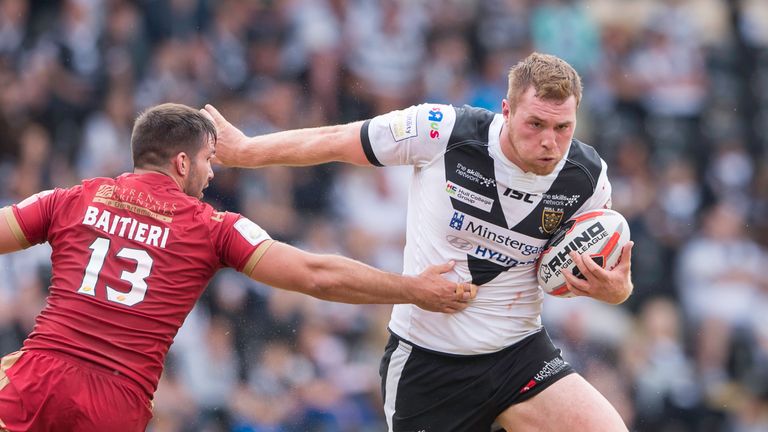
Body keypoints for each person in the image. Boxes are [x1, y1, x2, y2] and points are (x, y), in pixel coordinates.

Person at [204, 52, 635, 431]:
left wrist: (617, 291)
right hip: (429, 361)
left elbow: (600, 264)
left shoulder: (588, 177)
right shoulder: (442, 130)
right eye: (535, 123)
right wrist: (245, 152)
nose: (549, 141)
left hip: (519, 354)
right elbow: (334, 140)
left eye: (563, 127)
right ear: (505, 110)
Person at [0, 103, 477, 432]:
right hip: (114, 401)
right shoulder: (210, 226)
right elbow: (316, 275)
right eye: (210, 160)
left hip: (37, 374)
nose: (212, 174)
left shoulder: (72, 198)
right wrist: (411, 288)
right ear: (182, 161)